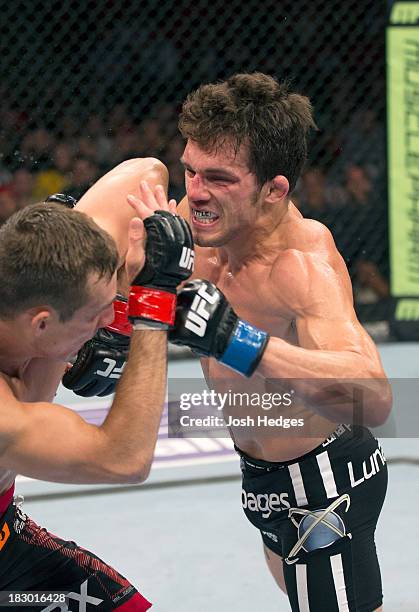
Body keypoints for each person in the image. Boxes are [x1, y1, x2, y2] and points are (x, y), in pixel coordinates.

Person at [158, 73, 391, 612]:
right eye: (190, 170)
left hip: (324, 483)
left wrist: (239, 341)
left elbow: (374, 399)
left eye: (219, 178)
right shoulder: (194, 230)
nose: (195, 191)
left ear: (275, 189)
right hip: (262, 477)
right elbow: (135, 180)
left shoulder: (301, 263)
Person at [0, 158, 194, 610]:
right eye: (96, 315)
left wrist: (66, 230)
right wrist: (153, 305)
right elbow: (124, 460)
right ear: (43, 322)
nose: (110, 322)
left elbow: (147, 171)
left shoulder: (20, 288)